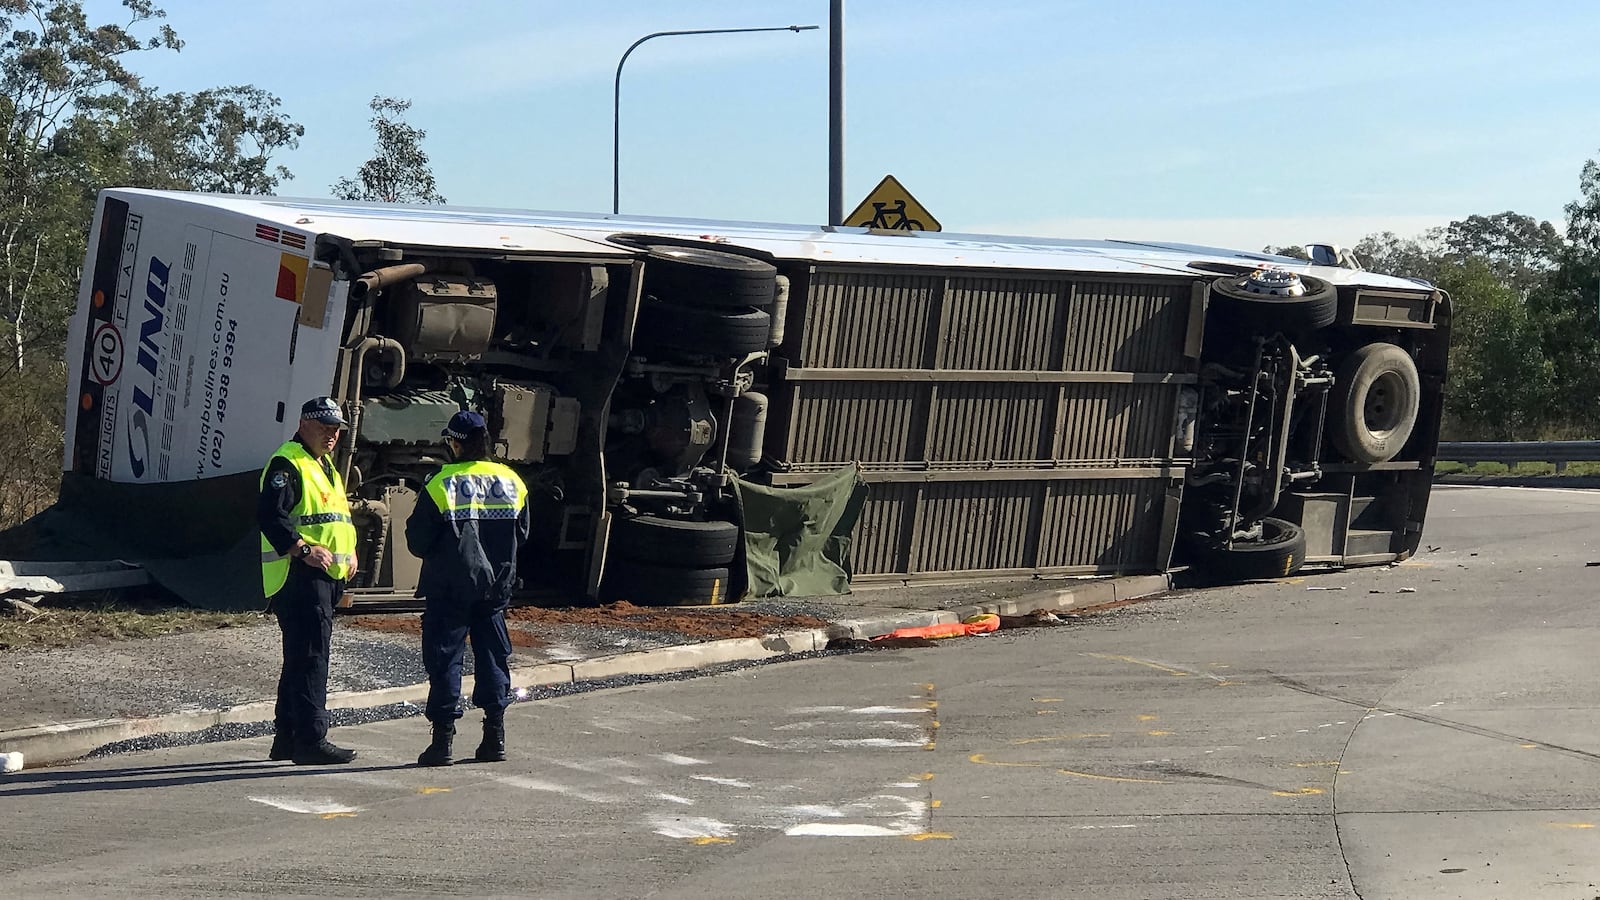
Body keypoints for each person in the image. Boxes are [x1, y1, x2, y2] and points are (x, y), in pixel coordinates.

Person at [405, 410, 530, 767]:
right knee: (493, 658)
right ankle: (494, 737)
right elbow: (522, 535)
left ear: (456, 443)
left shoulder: (440, 483)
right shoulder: (512, 482)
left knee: (446, 660)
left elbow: (418, 541)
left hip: (449, 589)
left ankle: (442, 742)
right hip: (494, 590)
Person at [257, 396, 360, 766]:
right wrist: (301, 549)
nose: (332, 435)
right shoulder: (288, 462)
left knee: (300, 658)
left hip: (325, 575)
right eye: (324, 427)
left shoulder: (323, 463)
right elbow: (270, 516)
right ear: (303, 424)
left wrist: (349, 552)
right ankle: (311, 739)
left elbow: (334, 517)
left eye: (336, 429)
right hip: (300, 574)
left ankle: (286, 739)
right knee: (312, 658)